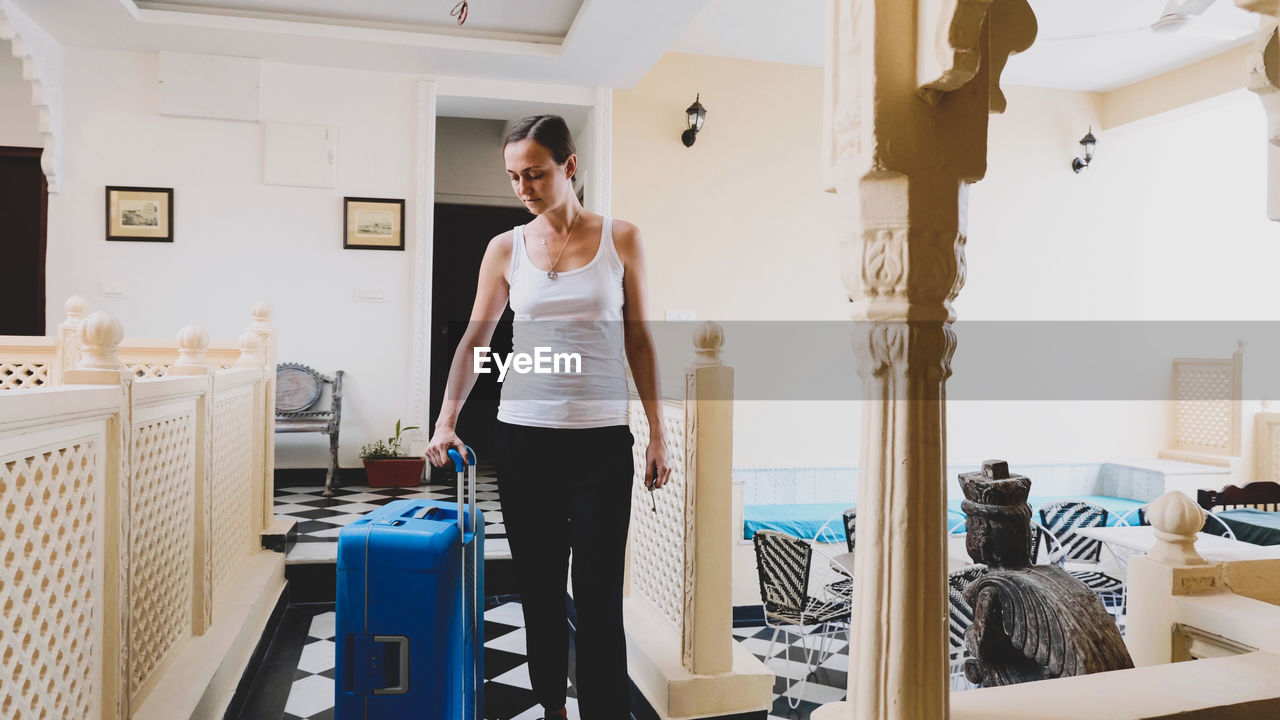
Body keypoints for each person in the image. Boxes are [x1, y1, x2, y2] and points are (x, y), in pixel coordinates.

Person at [425, 114, 671, 719]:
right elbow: (475, 338)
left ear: (569, 166)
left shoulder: (622, 238)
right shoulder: (505, 247)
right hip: (524, 442)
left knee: (595, 592)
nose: (523, 188)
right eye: (513, 177)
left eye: (534, 173)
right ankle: (551, 708)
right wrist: (445, 419)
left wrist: (657, 433)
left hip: (601, 445)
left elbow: (639, 340)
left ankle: (603, 712)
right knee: (537, 585)